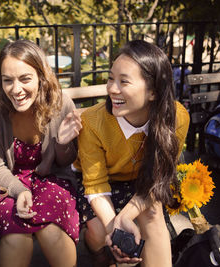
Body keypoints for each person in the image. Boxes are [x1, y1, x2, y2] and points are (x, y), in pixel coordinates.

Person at [76, 40, 190, 267]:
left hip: (144, 183)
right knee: (99, 231)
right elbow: (95, 185)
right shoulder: (92, 121)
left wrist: (127, 214)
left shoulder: (177, 117)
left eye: (123, 81)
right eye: (111, 79)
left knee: (152, 213)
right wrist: (117, 228)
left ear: (153, 92)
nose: (112, 89)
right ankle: (102, 257)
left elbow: (158, 179)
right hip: (101, 186)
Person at [0, 40, 82, 267]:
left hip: (53, 179)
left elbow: (66, 162)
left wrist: (62, 143)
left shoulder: (61, 104)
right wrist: (20, 190)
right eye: (8, 81)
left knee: (52, 231)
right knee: (15, 237)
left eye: (25, 79)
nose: (16, 89)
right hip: (8, 185)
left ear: (41, 77)